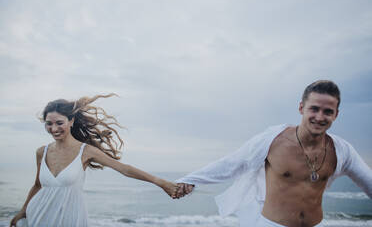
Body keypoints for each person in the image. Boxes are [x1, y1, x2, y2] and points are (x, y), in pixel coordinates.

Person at [175, 80, 372, 227]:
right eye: (314, 109)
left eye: (328, 111)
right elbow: (232, 163)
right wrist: (190, 180)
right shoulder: (273, 141)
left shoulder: (342, 151)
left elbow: (368, 182)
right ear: (301, 108)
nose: (320, 117)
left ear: (336, 114)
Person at [10, 94, 178, 227]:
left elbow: (124, 169)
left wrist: (161, 183)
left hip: (70, 219)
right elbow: (38, 185)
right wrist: (23, 211)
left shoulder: (86, 151)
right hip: (39, 216)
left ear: (71, 121)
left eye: (59, 123)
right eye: (48, 124)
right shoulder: (42, 152)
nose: (53, 129)